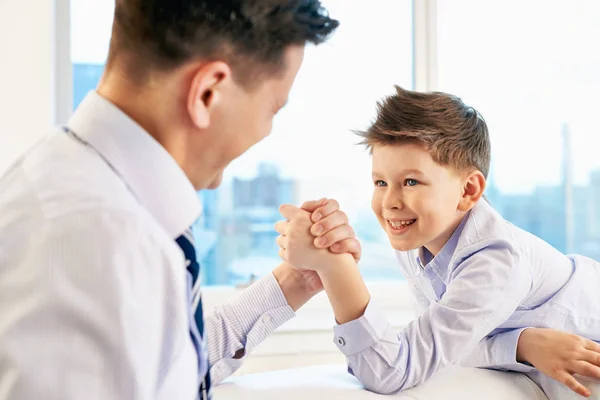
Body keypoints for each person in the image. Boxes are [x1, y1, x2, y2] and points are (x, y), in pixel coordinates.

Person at [0, 1, 361, 399]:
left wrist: (295, 281)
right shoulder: (94, 243)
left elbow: (165, 368)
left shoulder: (87, 193)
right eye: (273, 108)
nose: (266, 132)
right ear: (208, 93)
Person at [276, 86, 600, 399]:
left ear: (469, 191)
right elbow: (445, 344)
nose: (390, 201)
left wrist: (336, 267)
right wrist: (520, 345)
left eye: (411, 181)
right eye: (380, 182)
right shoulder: (418, 240)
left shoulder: (494, 261)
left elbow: (395, 370)